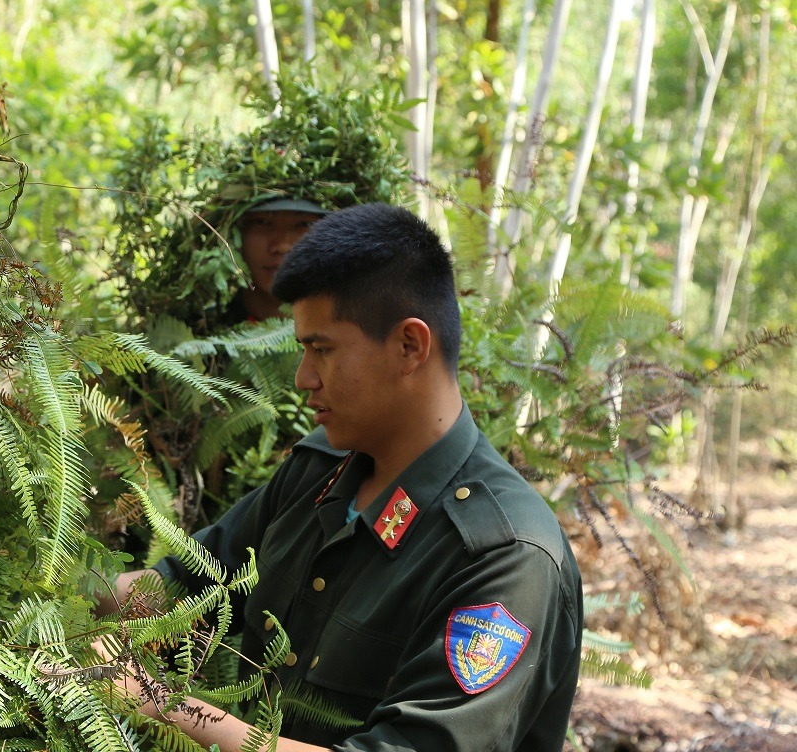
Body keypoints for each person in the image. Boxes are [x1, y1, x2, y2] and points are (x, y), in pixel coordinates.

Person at [98, 203, 583, 752]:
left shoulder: (504, 556)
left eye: (321, 350)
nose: (304, 378)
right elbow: (182, 588)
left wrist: (158, 703)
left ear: (410, 347)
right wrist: (54, 602)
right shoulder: (318, 475)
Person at [223, 196, 329, 326]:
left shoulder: (354, 334)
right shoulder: (201, 327)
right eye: (262, 222)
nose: (282, 246)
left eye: (303, 224)